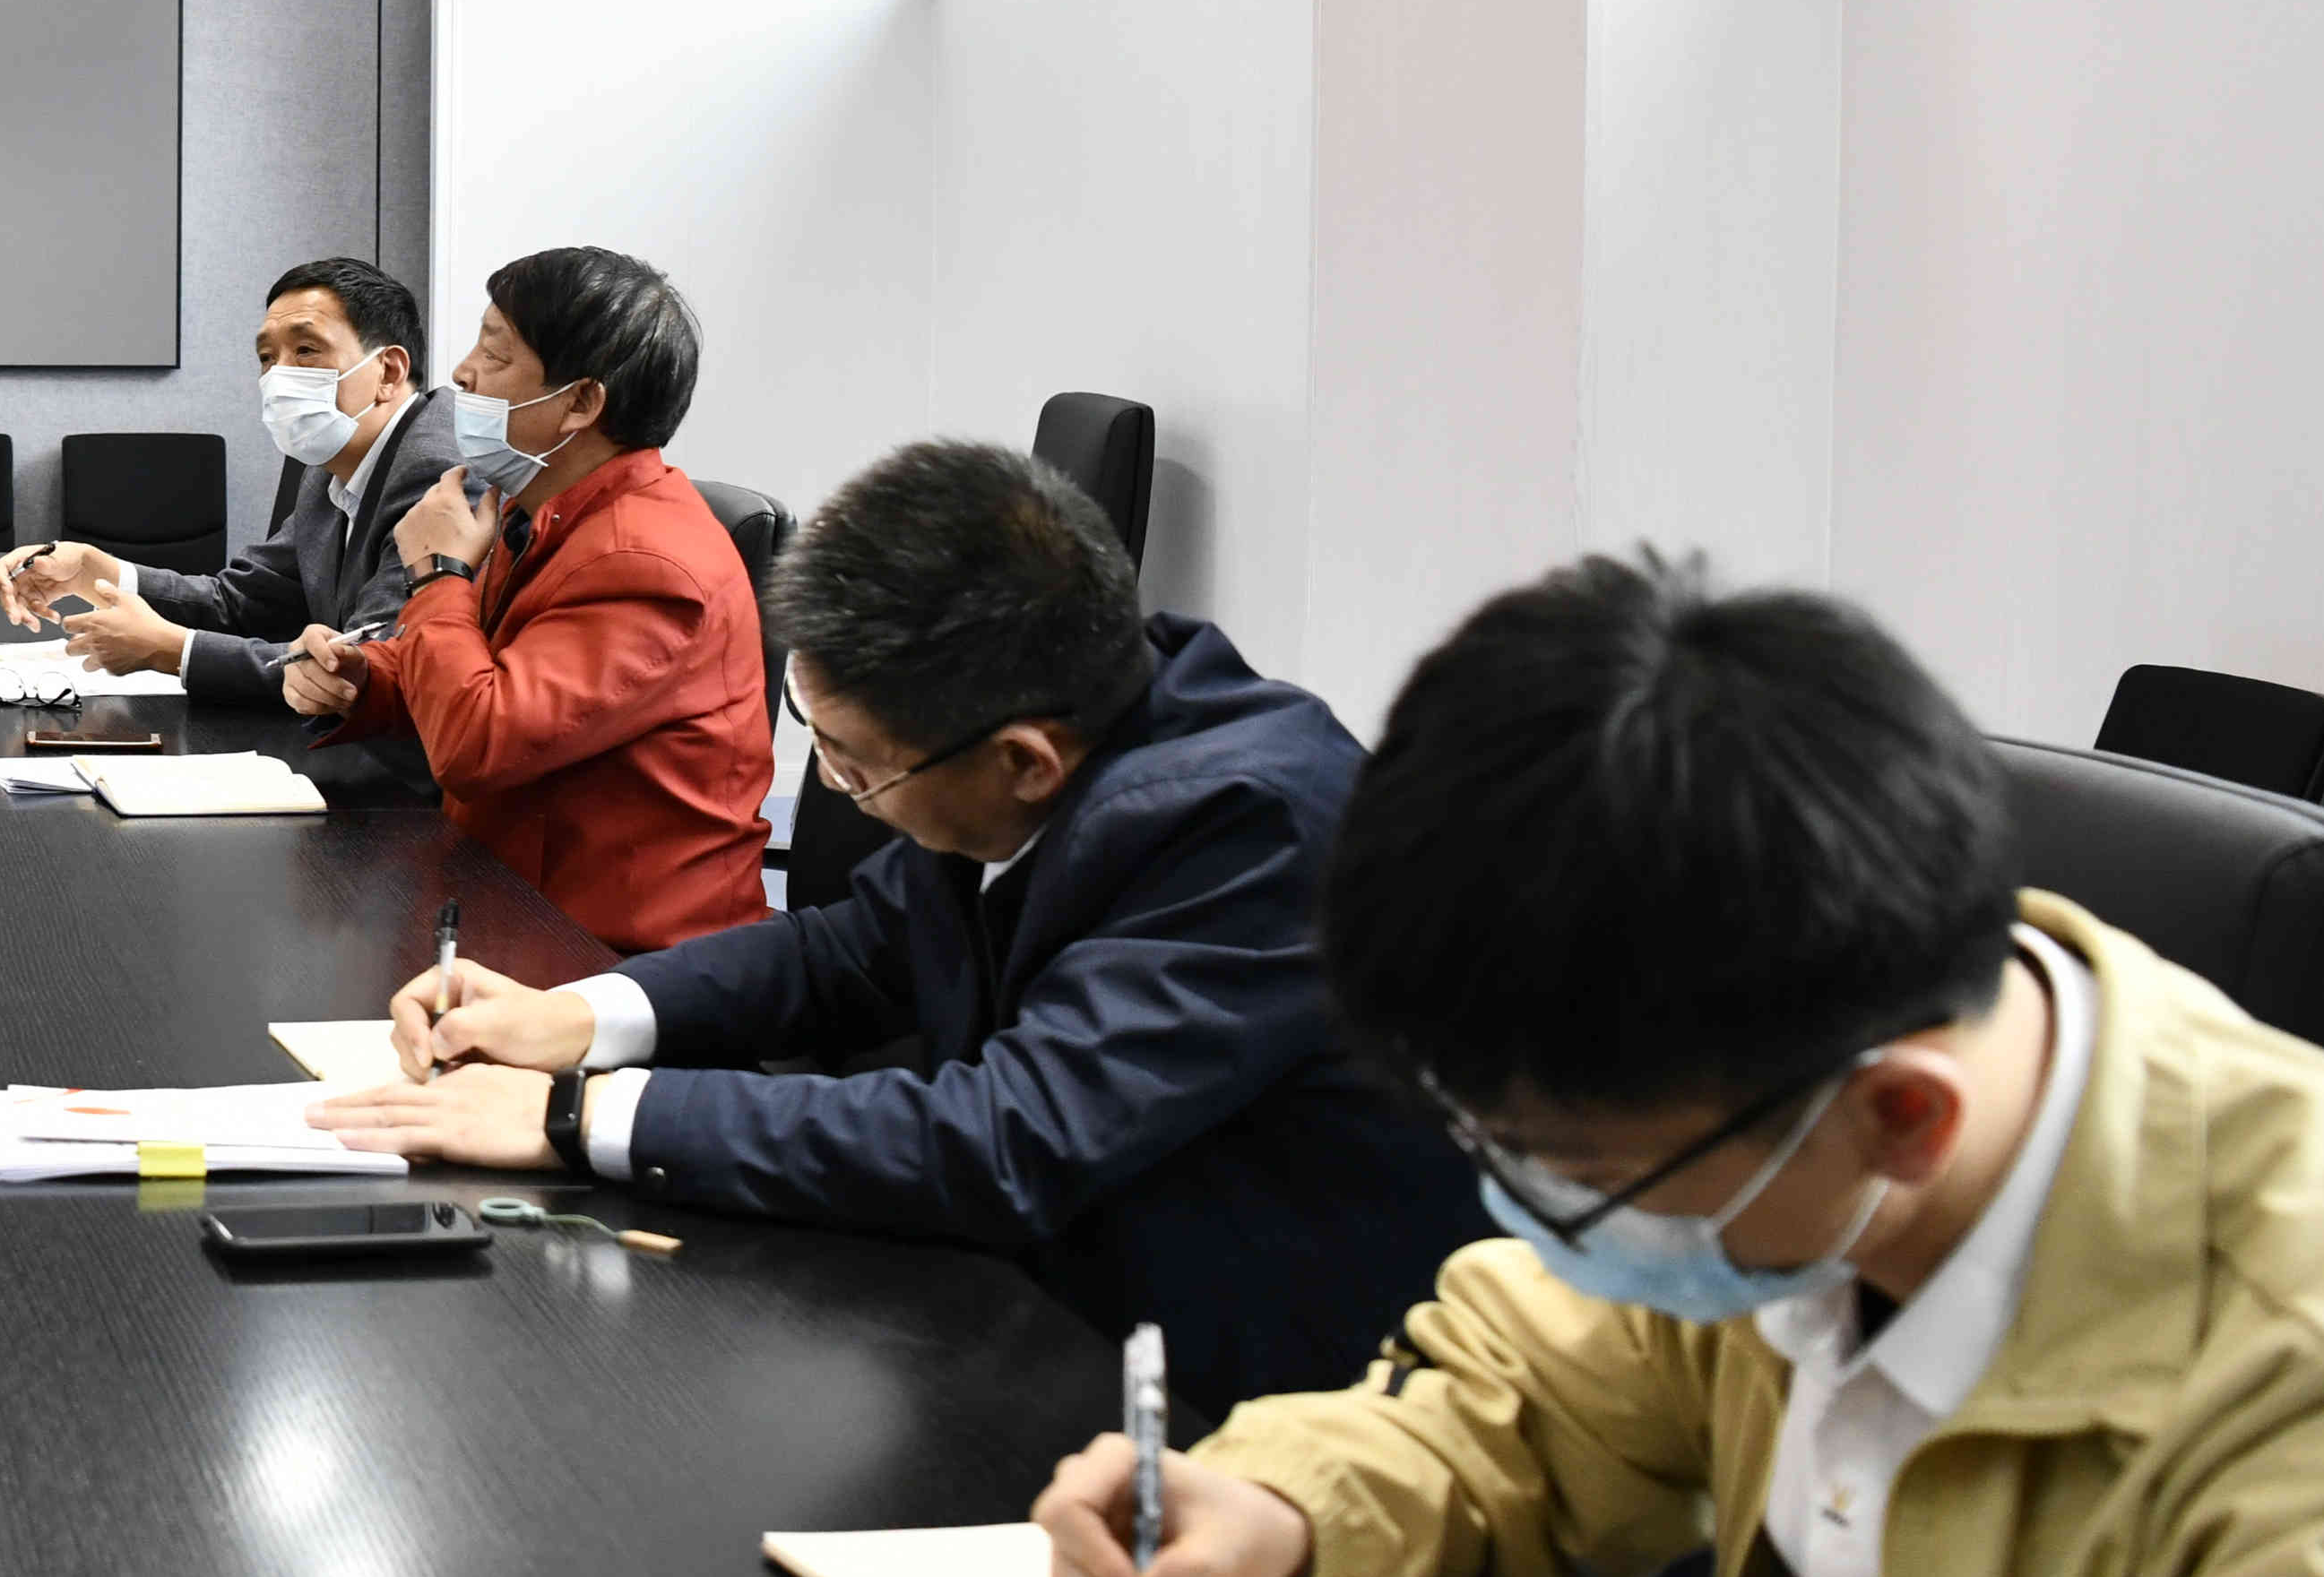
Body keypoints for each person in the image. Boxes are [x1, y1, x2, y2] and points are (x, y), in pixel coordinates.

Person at [1030, 556, 2324, 1577]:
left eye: (1582, 1177)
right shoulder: (1777, 1126)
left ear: (1901, 1119)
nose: (1542, 1219)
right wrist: (1277, 1503)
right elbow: (1521, 1400)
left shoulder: (2310, 1354)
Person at [312, 439, 1467, 1406]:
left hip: (1246, 1386)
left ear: (1022, 761)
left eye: (855, 767)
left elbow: (1008, 1137)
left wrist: (576, 1113)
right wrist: (573, 1017)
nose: (839, 791)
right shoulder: (1076, 710)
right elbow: (849, 950)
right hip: (1040, 1302)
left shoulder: (1247, 825)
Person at [281, 246, 770, 945]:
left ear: (581, 402)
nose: (461, 372)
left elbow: (478, 743)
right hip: (508, 894)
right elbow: (481, 666)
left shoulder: (646, 561)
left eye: (495, 353)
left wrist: (438, 572)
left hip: (615, 954)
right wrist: (364, 678)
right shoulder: (543, 510)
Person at [0, 256, 447, 707]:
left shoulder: (436, 476)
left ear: (389, 372)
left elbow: (368, 667)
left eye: (306, 350)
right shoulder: (332, 466)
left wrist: (170, 649)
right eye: (267, 358)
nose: (278, 375)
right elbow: (242, 602)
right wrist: (92, 571)